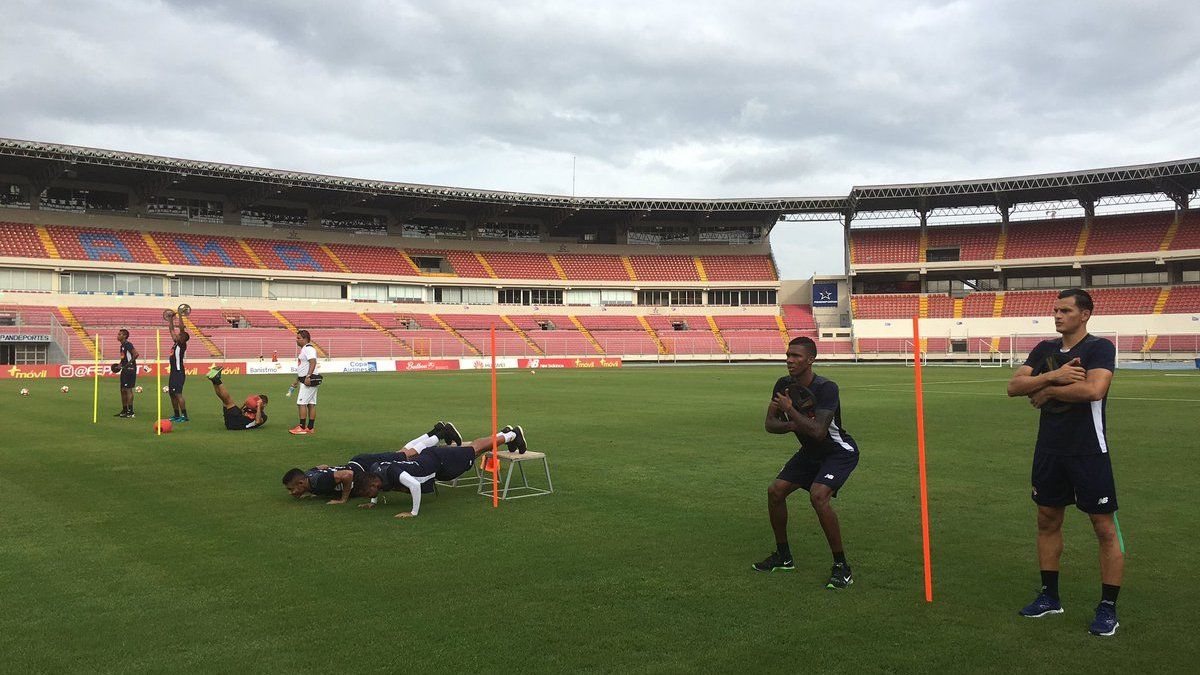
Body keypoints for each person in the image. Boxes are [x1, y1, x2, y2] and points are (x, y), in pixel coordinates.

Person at [1006, 288, 1122, 637]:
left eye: (1066, 310)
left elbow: (1093, 391)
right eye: (1055, 310)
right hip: (1050, 451)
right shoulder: (1045, 350)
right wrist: (1052, 377)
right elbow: (1013, 386)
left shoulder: (1099, 348)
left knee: (1103, 528)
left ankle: (1107, 607)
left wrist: (1046, 391)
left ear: (1085, 314)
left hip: (1088, 450)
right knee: (1047, 520)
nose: (1058, 315)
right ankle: (1049, 596)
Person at [753, 336, 860, 590]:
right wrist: (792, 422)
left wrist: (790, 410)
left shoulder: (826, 388)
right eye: (788, 355)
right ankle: (784, 556)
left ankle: (841, 567)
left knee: (818, 496)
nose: (790, 360)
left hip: (838, 451)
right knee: (775, 491)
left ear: (811, 359)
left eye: (796, 356)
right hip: (809, 452)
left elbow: (819, 432)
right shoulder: (783, 385)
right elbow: (770, 424)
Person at [362, 424, 527, 518]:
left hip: (439, 459)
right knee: (473, 453)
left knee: (474, 448)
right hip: (434, 463)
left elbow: (415, 486)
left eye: (368, 492)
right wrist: (372, 502)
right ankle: (503, 435)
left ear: (374, 482)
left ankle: (512, 435)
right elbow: (375, 487)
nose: (369, 494)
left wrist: (413, 513)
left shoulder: (392, 473)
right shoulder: (375, 471)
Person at [281, 421, 464, 503]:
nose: (292, 492)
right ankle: (435, 431)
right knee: (402, 453)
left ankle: (442, 433)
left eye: (292, 488)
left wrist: (343, 498)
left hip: (362, 466)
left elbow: (348, 475)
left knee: (407, 455)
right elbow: (323, 467)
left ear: (301, 481)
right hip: (358, 462)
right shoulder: (312, 475)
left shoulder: (317, 482)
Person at [205, 365, 269, 431]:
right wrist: (244, 404)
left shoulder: (263, 416)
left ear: (264, 404)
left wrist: (259, 406)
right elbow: (239, 411)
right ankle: (214, 380)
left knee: (228, 401)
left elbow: (257, 422)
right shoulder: (249, 408)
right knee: (224, 400)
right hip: (231, 423)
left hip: (239, 424)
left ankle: (216, 379)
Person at [290, 330, 319, 435]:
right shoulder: (305, 349)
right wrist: (297, 380)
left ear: (305, 339)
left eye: (298, 338)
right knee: (311, 404)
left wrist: (308, 376)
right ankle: (310, 428)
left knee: (301, 403)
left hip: (308, 381)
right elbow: (303, 367)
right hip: (306, 380)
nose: (296, 340)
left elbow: (313, 362)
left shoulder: (308, 349)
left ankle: (302, 427)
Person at [165, 310, 190, 422]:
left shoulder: (182, 344)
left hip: (179, 372)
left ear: (183, 338)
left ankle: (184, 416)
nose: (177, 335)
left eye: (180, 335)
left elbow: (181, 328)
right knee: (172, 394)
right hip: (173, 372)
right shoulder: (176, 343)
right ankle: (176, 415)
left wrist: (179, 315)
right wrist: (170, 319)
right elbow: (171, 329)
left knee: (178, 394)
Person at [114, 328, 139, 418]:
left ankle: (131, 411)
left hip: (130, 369)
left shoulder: (128, 345)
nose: (118, 335)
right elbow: (123, 359)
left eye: (120, 334)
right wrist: (119, 365)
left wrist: (128, 364)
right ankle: (124, 410)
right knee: (122, 390)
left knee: (128, 389)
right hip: (125, 369)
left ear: (124, 336)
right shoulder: (122, 346)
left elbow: (136, 354)